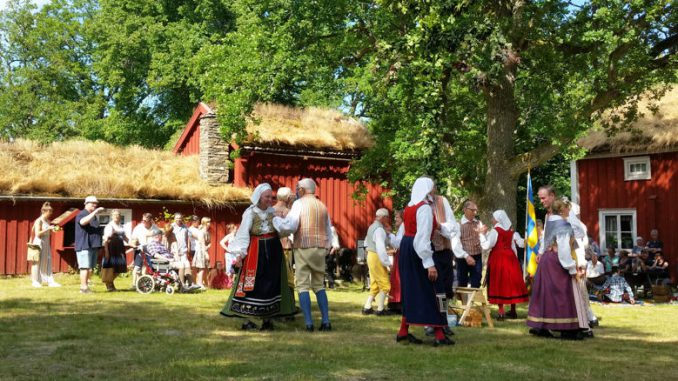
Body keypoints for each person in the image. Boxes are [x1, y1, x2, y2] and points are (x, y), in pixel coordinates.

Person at [221, 183, 296, 330]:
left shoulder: (272, 212)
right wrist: (240, 254)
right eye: (267, 196)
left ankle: (267, 319)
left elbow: (281, 230)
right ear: (259, 197)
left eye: (271, 197)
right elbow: (243, 235)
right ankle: (249, 320)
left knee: (271, 283)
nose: (269, 199)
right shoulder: (250, 213)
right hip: (256, 251)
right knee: (254, 283)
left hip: (274, 251)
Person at [396, 177, 452, 347]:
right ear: (427, 189)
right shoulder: (424, 208)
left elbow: (412, 231)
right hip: (418, 250)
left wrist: (446, 230)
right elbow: (422, 239)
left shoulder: (409, 206)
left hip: (407, 248)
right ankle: (439, 335)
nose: (434, 190)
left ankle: (403, 332)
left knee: (412, 290)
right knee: (434, 289)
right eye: (432, 187)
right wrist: (430, 264)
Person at [274, 178, 334, 332]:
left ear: (301, 189)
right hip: (320, 248)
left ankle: (308, 323)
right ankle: (326, 321)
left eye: (297, 188)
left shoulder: (299, 204)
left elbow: (292, 226)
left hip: (303, 247)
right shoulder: (322, 205)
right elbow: (329, 229)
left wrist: (276, 224)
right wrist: (327, 246)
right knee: (319, 285)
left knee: (302, 285)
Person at [527, 198, 588, 340]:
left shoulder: (551, 222)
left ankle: (541, 326)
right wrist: (571, 268)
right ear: (562, 210)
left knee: (546, 295)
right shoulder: (563, 225)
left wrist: (541, 253)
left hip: (546, 261)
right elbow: (564, 249)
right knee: (563, 294)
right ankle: (566, 329)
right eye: (567, 208)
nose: (569, 211)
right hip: (557, 261)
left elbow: (544, 241)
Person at [483, 210, 529, 321]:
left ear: (498, 220)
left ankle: (501, 312)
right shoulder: (511, 232)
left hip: (498, 258)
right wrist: (515, 260)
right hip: (510, 258)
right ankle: (513, 311)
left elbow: (487, 245)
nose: (492, 220)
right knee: (510, 283)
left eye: (493, 218)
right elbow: (515, 246)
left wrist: (481, 235)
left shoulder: (495, 231)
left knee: (499, 282)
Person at [362, 208, 393, 316]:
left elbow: (366, 243)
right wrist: (387, 263)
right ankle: (380, 309)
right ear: (384, 217)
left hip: (371, 255)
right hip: (376, 256)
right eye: (387, 217)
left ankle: (367, 307)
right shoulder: (379, 230)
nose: (388, 219)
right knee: (385, 284)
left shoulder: (372, 227)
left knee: (375, 283)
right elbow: (381, 248)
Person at [75, 196, 105, 294]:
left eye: (96, 203)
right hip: (84, 245)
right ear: (86, 203)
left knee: (89, 267)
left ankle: (86, 286)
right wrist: (95, 212)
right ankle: (83, 288)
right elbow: (82, 222)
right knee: (84, 267)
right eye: (93, 203)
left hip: (92, 246)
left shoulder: (92, 216)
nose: (95, 205)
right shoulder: (82, 213)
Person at [30, 202, 61, 288]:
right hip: (39, 242)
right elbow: (37, 234)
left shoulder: (47, 221)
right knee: (36, 262)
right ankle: (35, 281)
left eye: (51, 211)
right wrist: (48, 228)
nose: (51, 213)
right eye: (50, 211)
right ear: (44, 211)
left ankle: (50, 281)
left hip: (46, 243)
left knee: (47, 262)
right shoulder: (38, 221)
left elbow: (48, 232)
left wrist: (54, 229)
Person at [456, 200, 484, 288]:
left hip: (477, 256)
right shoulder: (458, 224)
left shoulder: (478, 223)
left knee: (476, 282)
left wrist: (484, 233)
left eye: (476, 210)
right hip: (462, 258)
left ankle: (473, 300)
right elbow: (456, 243)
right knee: (462, 281)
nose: (475, 212)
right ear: (464, 210)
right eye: (472, 210)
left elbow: (484, 240)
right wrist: (466, 256)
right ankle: (463, 301)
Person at [273, 187, 295, 298]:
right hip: (285, 248)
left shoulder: (270, 210)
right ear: (287, 198)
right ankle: (289, 304)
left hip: (271, 247)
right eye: (291, 195)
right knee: (288, 276)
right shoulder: (289, 213)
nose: (293, 197)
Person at [101, 209, 128, 292]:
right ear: (112, 216)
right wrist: (106, 252)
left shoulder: (121, 226)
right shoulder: (109, 226)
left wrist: (132, 243)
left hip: (119, 248)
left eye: (118, 214)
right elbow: (105, 240)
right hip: (111, 248)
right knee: (111, 268)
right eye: (115, 214)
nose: (117, 216)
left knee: (120, 267)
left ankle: (109, 283)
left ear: (120, 216)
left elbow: (125, 238)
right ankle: (109, 285)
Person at [130, 213, 157, 288]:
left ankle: (144, 285)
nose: (143, 222)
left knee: (148, 268)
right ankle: (134, 285)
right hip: (140, 249)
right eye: (143, 220)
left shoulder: (155, 228)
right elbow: (133, 240)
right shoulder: (138, 228)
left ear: (150, 220)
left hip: (151, 250)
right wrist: (135, 245)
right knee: (137, 267)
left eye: (145, 220)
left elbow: (159, 238)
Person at [387, 210, 404, 313]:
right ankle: (395, 304)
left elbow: (398, 243)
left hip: (401, 255)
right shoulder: (401, 228)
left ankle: (398, 304)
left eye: (397, 217)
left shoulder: (403, 227)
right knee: (396, 279)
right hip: (399, 255)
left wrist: (390, 234)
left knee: (398, 279)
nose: (395, 219)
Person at [192, 217, 211, 290]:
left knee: (204, 268)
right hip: (200, 251)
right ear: (204, 223)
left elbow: (209, 242)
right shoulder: (201, 232)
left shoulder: (207, 232)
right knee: (201, 268)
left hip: (205, 250)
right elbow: (202, 244)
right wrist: (206, 253)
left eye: (210, 222)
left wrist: (208, 246)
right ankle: (199, 283)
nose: (209, 224)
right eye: (208, 222)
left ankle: (202, 283)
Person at [219, 224, 238, 289]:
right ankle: (229, 283)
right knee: (229, 269)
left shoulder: (237, 236)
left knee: (235, 269)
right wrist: (227, 249)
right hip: (229, 255)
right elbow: (221, 242)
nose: (237, 230)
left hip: (236, 254)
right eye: (235, 229)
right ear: (232, 230)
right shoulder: (229, 236)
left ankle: (234, 283)